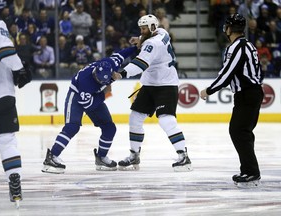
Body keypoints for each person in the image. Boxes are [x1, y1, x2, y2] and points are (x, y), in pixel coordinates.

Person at [41, 45, 138, 174]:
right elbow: (88, 105)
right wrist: (105, 93)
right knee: (72, 126)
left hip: (94, 95)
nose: (100, 81)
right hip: (76, 96)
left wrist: (136, 47)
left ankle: (101, 157)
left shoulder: (111, 63)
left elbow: (122, 54)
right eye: (98, 79)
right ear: (95, 72)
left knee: (109, 127)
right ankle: (51, 157)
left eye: (104, 80)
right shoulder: (86, 82)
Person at [116, 14, 192, 172]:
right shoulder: (162, 32)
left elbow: (139, 64)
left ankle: (183, 156)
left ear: (151, 27)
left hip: (165, 86)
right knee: (135, 117)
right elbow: (150, 38)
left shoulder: (152, 43)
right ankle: (134, 154)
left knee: (166, 120)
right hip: (151, 84)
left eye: (144, 28)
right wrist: (140, 39)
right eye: (141, 29)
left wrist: (121, 74)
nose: (142, 31)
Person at [200, 13, 264, 187]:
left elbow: (227, 74)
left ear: (228, 29)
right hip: (250, 93)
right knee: (241, 132)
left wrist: (209, 90)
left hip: (247, 94)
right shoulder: (248, 45)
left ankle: (251, 172)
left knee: (239, 131)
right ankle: (248, 170)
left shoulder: (237, 47)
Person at [0, 16, 32, 207]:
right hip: (0, 93)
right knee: (6, 140)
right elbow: (4, 51)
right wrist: (20, 69)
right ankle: (14, 179)